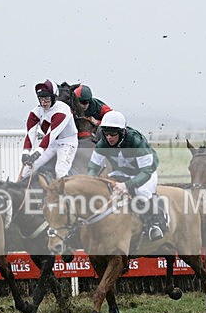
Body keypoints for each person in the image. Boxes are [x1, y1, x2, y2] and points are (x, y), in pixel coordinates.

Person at [87, 111, 166, 241]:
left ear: (122, 132)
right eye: (106, 133)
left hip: (145, 173)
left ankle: (155, 223)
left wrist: (127, 185)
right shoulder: (102, 143)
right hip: (122, 172)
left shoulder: (137, 142)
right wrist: (90, 182)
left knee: (141, 191)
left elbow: (146, 172)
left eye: (113, 134)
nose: (109, 138)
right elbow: (93, 168)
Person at [21, 79, 78, 180]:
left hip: (67, 142)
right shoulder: (36, 112)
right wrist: (25, 152)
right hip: (51, 143)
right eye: (41, 99)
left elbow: (51, 134)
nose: (43, 103)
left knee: (60, 172)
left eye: (46, 99)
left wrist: (37, 153)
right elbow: (30, 134)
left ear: (54, 97)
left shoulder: (62, 111)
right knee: (27, 170)